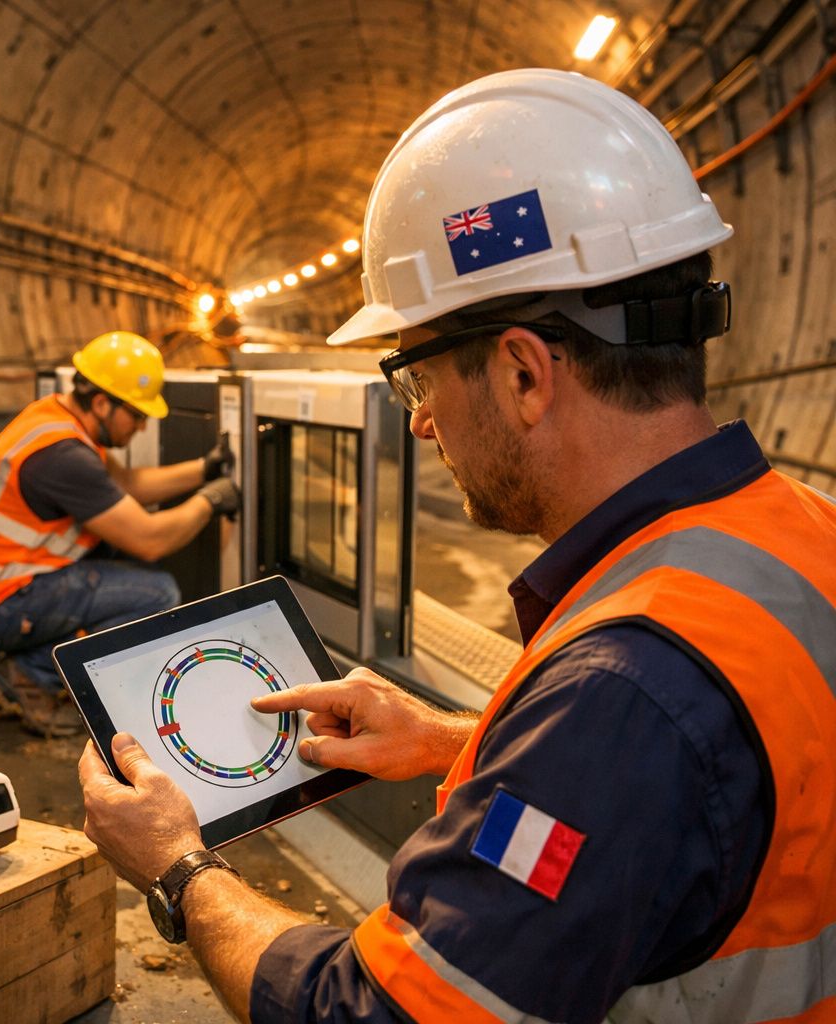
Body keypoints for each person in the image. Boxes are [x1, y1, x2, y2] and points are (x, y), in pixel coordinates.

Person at [79, 68, 836, 1023]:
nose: (425, 425)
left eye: (418, 380)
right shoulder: (800, 530)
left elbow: (373, 1012)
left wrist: (180, 867)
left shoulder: (620, 692)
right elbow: (698, 802)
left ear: (523, 372)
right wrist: (458, 744)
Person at [0, 331, 241, 738]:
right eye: (137, 415)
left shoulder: (55, 420)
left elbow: (128, 484)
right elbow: (150, 539)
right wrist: (211, 502)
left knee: (109, 552)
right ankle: (25, 677)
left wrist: (204, 469)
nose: (143, 428)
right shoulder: (65, 458)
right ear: (101, 403)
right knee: (157, 593)